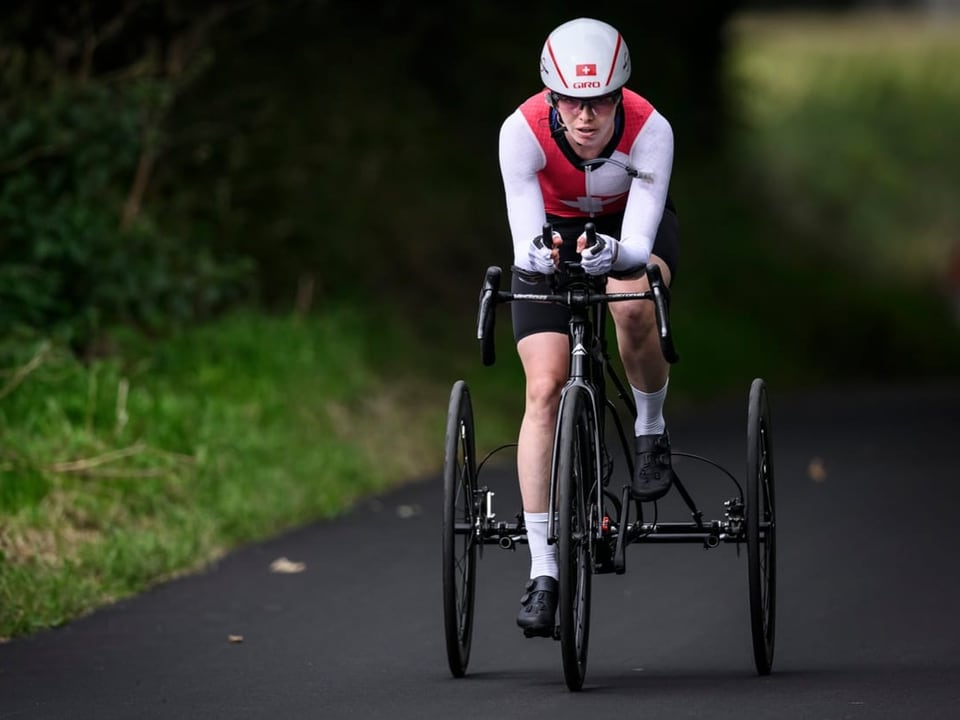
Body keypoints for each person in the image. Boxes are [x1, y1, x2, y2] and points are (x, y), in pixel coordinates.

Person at [498, 17, 681, 638]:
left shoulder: (651, 129)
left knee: (630, 303)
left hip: (629, 230)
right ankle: (543, 570)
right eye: (573, 102)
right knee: (544, 389)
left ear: (619, 95)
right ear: (552, 97)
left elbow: (640, 237)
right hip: (548, 235)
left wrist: (618, 258)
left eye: (600, 101)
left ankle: (650, 428)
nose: (585, 116)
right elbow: (524, 240)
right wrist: (546, 255)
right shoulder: (519, 133)